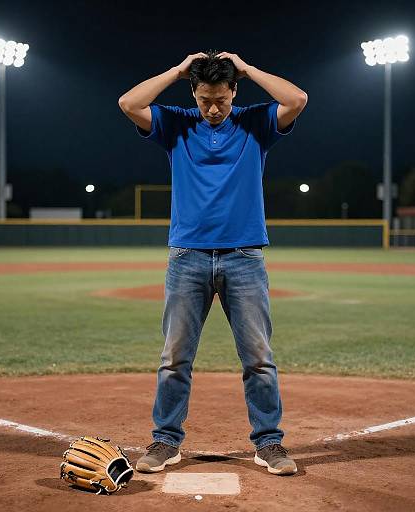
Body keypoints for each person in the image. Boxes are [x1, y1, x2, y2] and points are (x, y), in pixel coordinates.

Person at [118, 50, 307, 476]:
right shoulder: (176, 122)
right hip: (187, 256)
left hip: (244, 256)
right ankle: (166, 441)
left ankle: (269, 443)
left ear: (234, 90)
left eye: (221, 98)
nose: (213, 108)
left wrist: (249, 68)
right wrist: (176, 71)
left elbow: (297, 100)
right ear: (194, 92)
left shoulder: (255, 122)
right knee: (174, 358)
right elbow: (129, 104)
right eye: (205, 99)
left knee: (258, 357)